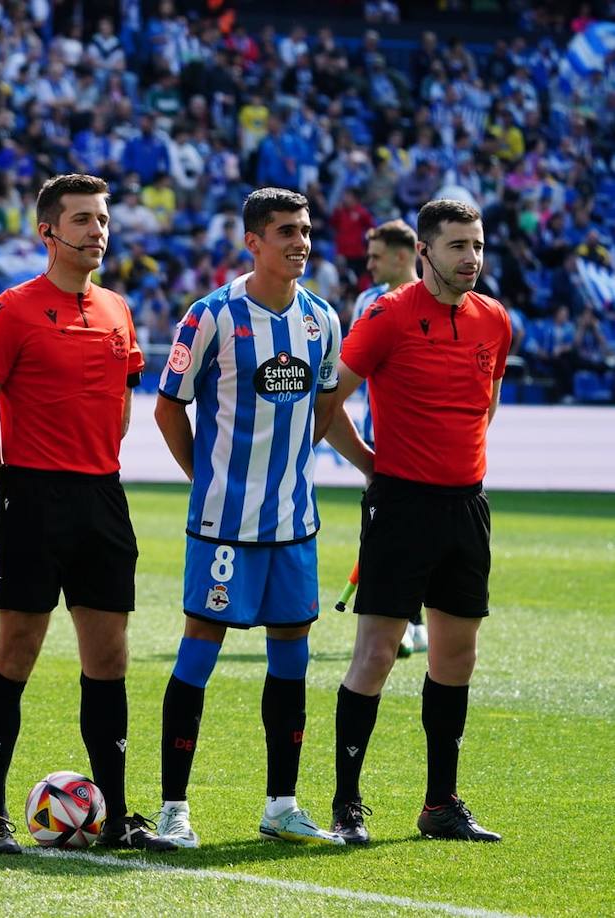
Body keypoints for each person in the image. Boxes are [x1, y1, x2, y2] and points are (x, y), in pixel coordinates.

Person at [0, 173, 173, 854]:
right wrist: (12, 483)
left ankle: (115, 817)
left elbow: (121, 401)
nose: (96, 231)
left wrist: (94, 468)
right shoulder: (13, 309)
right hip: (33, 495)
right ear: (47, 231)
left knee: (109, 656)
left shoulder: (116, 307)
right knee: (17, 647)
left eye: (102, 219)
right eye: (81, 220)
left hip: (102, 495)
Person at [153, 187, 369, 849]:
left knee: (291, 660)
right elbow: (168, 408)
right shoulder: (210, 316)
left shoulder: (322, 320)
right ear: (253, 241)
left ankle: (281, 805)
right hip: (222, 526)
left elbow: (327, 405)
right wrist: (211, 481)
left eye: (305, 232)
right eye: (286, 232)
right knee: (198, 654)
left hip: (293, 526)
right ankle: (173, 812)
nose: (301, 242)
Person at [325, 199, 510, 845]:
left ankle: (440, 806)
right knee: (376, 653)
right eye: (459, 246)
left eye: (478, 245)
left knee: (456, 659)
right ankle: (346, 806)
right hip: (401, 505)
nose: (472, 259)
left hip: (467, 506)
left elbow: (486, 405)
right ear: (425, 252)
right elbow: (329, 399)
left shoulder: (494, 320)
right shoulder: (388, 315)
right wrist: (372, 465)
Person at [348, 220, 428, 657]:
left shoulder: (429, 299)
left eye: (377, 255)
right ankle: (399, 621)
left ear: (403, 256)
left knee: (422, 533)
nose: (369, 262)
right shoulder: (367, 300)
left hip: (419, 440)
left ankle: (415, 620)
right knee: (380, 528)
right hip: (378, 437)